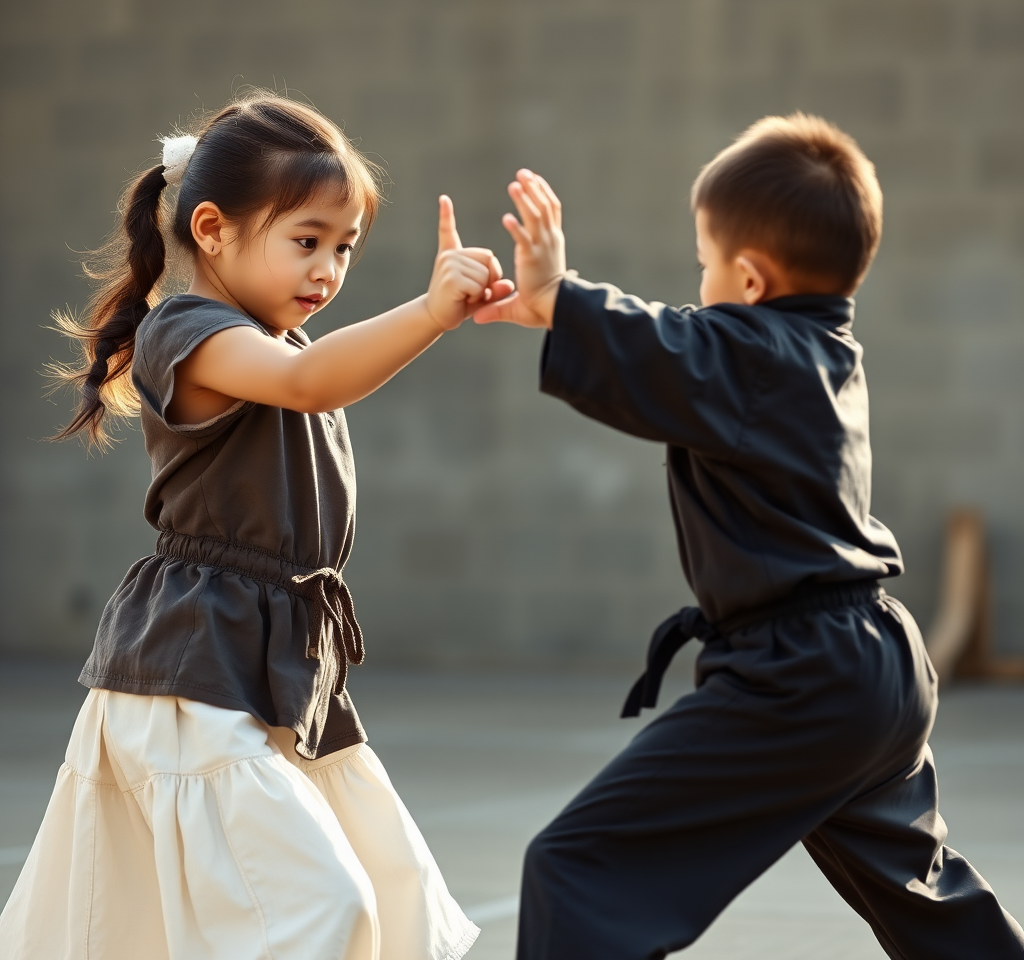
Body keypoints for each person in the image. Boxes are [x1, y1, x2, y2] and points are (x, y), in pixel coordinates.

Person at [474, 114, 1024, 959]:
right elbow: (683, 349)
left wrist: (559, 295)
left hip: (800, 675)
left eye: (705, 267)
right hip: (876, 666)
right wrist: (561, 316)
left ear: (754, 280)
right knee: (928, 901)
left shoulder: (756, 355)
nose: (698, 288)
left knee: (577, 865)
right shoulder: (829, 353)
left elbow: (672, 344)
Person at [0, 92, 512, 960]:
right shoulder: (189, 334)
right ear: (212, 229)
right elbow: (312, 388)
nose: (329, 269)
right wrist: (430, 313)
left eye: (345, 247)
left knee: (386, 903)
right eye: (306, 240)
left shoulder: (285, 343)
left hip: (274, 664)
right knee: (321, 909)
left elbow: (314, 375)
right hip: (191, 670)